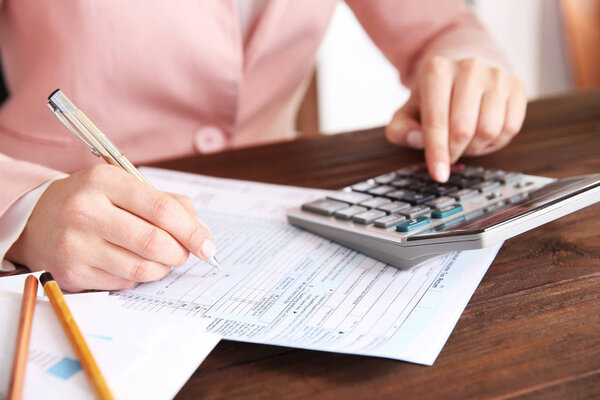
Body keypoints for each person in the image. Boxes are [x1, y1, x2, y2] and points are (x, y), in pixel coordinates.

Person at [0, 1, 526, 291]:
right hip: (50, 238)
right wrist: (23, 210)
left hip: (274, 206)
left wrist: (467, 68)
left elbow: (441, 26)